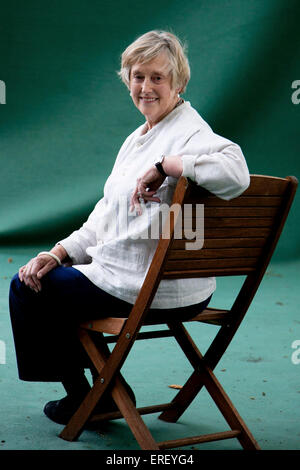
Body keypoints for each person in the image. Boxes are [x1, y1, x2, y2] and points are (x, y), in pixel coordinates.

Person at [9, 30, 250, 426]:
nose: (146, 87)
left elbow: (237, 172)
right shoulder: (138, 139)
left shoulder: (191, 133)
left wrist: (168, 166)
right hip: (171, 289)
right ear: (128, 81)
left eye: (158, 77)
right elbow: (106, 215)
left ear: (179, 83)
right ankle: (106, 389)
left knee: (28, 289)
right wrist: (59, 252)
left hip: (146, 287)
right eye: (138, 76)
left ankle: (86, 395)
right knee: (46, 274)